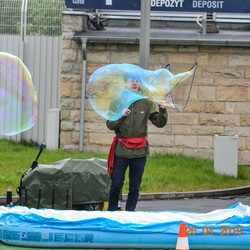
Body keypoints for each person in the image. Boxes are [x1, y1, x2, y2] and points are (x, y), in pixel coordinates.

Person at [106, 73, 168, 211]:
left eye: (137, 81)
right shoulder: (117, 102)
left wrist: (162, 110)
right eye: (131, 80)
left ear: (140, 84)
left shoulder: (146, 102)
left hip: (140, 152)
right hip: (121, 151)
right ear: (125, 83)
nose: (134, 83)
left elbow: (159, 123)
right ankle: (111, 214)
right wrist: (121, 116)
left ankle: (129, 215)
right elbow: (110, 125)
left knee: (134, 188)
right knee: (116, 184)